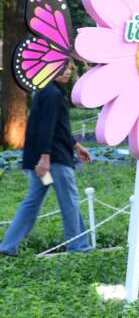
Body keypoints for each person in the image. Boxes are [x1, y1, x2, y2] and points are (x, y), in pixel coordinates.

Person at [1, 66, 93, 257]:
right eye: (63, 69)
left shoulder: (46, 91)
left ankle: (8, 246)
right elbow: (46, 128)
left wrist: (76, 146)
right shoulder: (53, 94)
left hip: (43, 162)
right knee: (69, 201)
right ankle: (79, 247)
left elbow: (58, 127)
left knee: (34, 201)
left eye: (69, 68)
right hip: (53, 162)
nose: (68, 72)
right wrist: (45, 159)